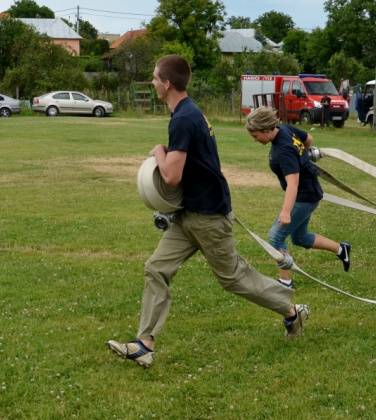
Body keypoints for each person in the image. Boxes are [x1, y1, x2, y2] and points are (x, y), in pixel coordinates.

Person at [107, 55, 310, 369]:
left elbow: (172, 175)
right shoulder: (189, 114)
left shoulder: (184, 119)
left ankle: (291, 310)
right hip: (188, 214)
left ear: (167, 83)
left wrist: (159, 151)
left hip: (210, 217)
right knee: (156, 268)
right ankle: (144, 344)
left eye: (154, 77)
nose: (152, 82)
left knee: (233, 278)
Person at [245, 106, 351, 290]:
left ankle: (286, 283)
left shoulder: (282, 150)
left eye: (255, 136)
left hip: (304, 196)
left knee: (276, 236)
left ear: (267, 130)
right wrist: (304, 156)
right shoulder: (285, 129)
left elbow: (293, 183)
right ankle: (342, 249)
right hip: (310, 190)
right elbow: (308, 139)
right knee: (300, 238)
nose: (254, 140)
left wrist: (286, 211)